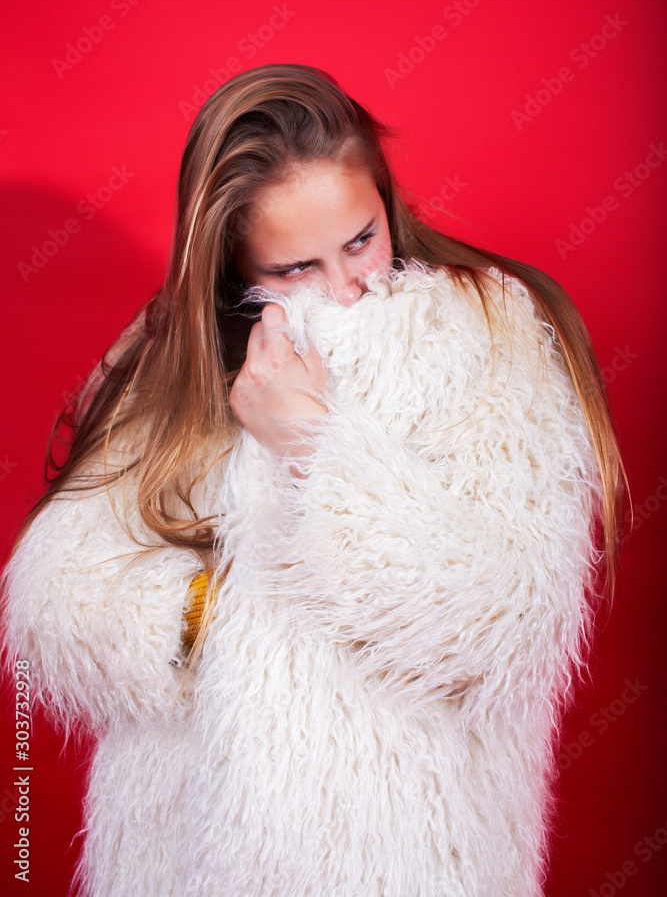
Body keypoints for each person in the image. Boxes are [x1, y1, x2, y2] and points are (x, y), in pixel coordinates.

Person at [1, 63, 626, 897]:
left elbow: (503, 615)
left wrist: (312, 445)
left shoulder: (488, 329)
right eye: (294, 267)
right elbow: (54, 591)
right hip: (185, 863)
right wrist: (205, 618)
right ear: (231, 263)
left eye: (361, 238)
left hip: (403, 864)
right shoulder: (179, 358)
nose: (345, 286)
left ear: (385, 198)